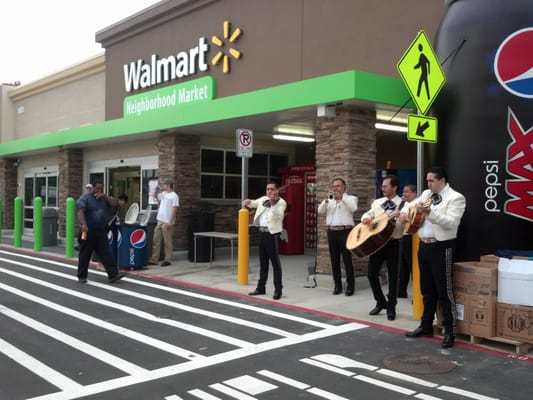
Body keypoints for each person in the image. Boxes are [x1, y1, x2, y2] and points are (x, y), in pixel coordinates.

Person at [401, 166, 466, 348]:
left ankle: (450, 332)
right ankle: (425, 325)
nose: (428, 184)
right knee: (426, 290)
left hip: (442, 246)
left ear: (442, 180)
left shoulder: (455, 198)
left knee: (444, 291)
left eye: (431, 181)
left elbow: (451, 223)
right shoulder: (426, 194)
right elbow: (411, 204)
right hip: (424, 245)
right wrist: (406, 212)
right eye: (427, 181)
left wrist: (430, 212)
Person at [361, 175, 404, 321]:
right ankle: (381, 302)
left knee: (393, 277)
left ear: (394, 188)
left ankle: (391, 307)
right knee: (371, 274)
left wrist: (401, 218)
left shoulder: (402, 204)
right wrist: (365, 218)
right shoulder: (378, 202)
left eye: (386, 186)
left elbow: (405, 224)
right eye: (382, 186)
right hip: (377, 243)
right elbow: (368, 214)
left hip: (393, 243)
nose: (383, 188)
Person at [244, 181, 287, 300]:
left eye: (272, 189)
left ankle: (278, 290)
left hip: (272, 234)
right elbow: (253, 203)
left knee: (275, 264)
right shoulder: (263, 199)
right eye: (268, 189)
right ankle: (261, 287)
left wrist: (273, 203)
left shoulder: (281, 202)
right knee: (263, 262)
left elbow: (279, 215)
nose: (269, 191)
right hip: (262, 233)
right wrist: (248, 202)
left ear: (277, 190)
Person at [76, 180, 126, 283]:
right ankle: (82, 276)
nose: (99, 190)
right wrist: (84, 224)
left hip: (100, 230)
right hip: (88, 230)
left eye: (101, 188)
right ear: (92, 187)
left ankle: (113, 274)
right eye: (97, 188)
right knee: (85, 253)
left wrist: (105, 196)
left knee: (105, 252)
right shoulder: (85, 198)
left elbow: (114, 203)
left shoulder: (103, 198)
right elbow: (80, 211)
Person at [317, 178, 358, 296]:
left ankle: (350, 286)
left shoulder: (350, 198)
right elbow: (320, 211)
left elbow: (353, 208)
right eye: (334, 186)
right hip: (332, 232)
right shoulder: (330, 200)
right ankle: (337, 285)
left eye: (338, 186)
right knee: (334, 260)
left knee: (347, 259)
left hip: (345, 231)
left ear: (344, 187)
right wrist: (326, 201)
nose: (335, 188)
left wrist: (342, 198)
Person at [148, 178, 179, 267]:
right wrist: (156, 191)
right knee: (156, 240)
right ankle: (154, 259)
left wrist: (170, 222)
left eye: (164, 184)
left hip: (167, 221)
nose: (163, 186)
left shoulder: (174, 195)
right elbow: (156, 197)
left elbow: (175, 209)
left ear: (168, 185)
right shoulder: (164, 194)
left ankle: (168, 259)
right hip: (160, 220)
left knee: (167, 241)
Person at [94, 193, 129, 272]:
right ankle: (101, 264)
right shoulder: (113, 203)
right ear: (122, 201)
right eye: (124, 203)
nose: (123, 205)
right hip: (101, 226)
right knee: (102, 246)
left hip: (101, 226)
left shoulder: (115, 206)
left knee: (100, 245)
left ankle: (99, 264)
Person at [398, 184, 417, 298]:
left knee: (412, 266)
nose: (404, 194)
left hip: (412, 237)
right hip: (404, 236)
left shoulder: (416, 204)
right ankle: (401, 291)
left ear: (414, 193)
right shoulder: (404, 205)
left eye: (407, 192)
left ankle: (417, 294)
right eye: (403, 192)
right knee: (403, 266)